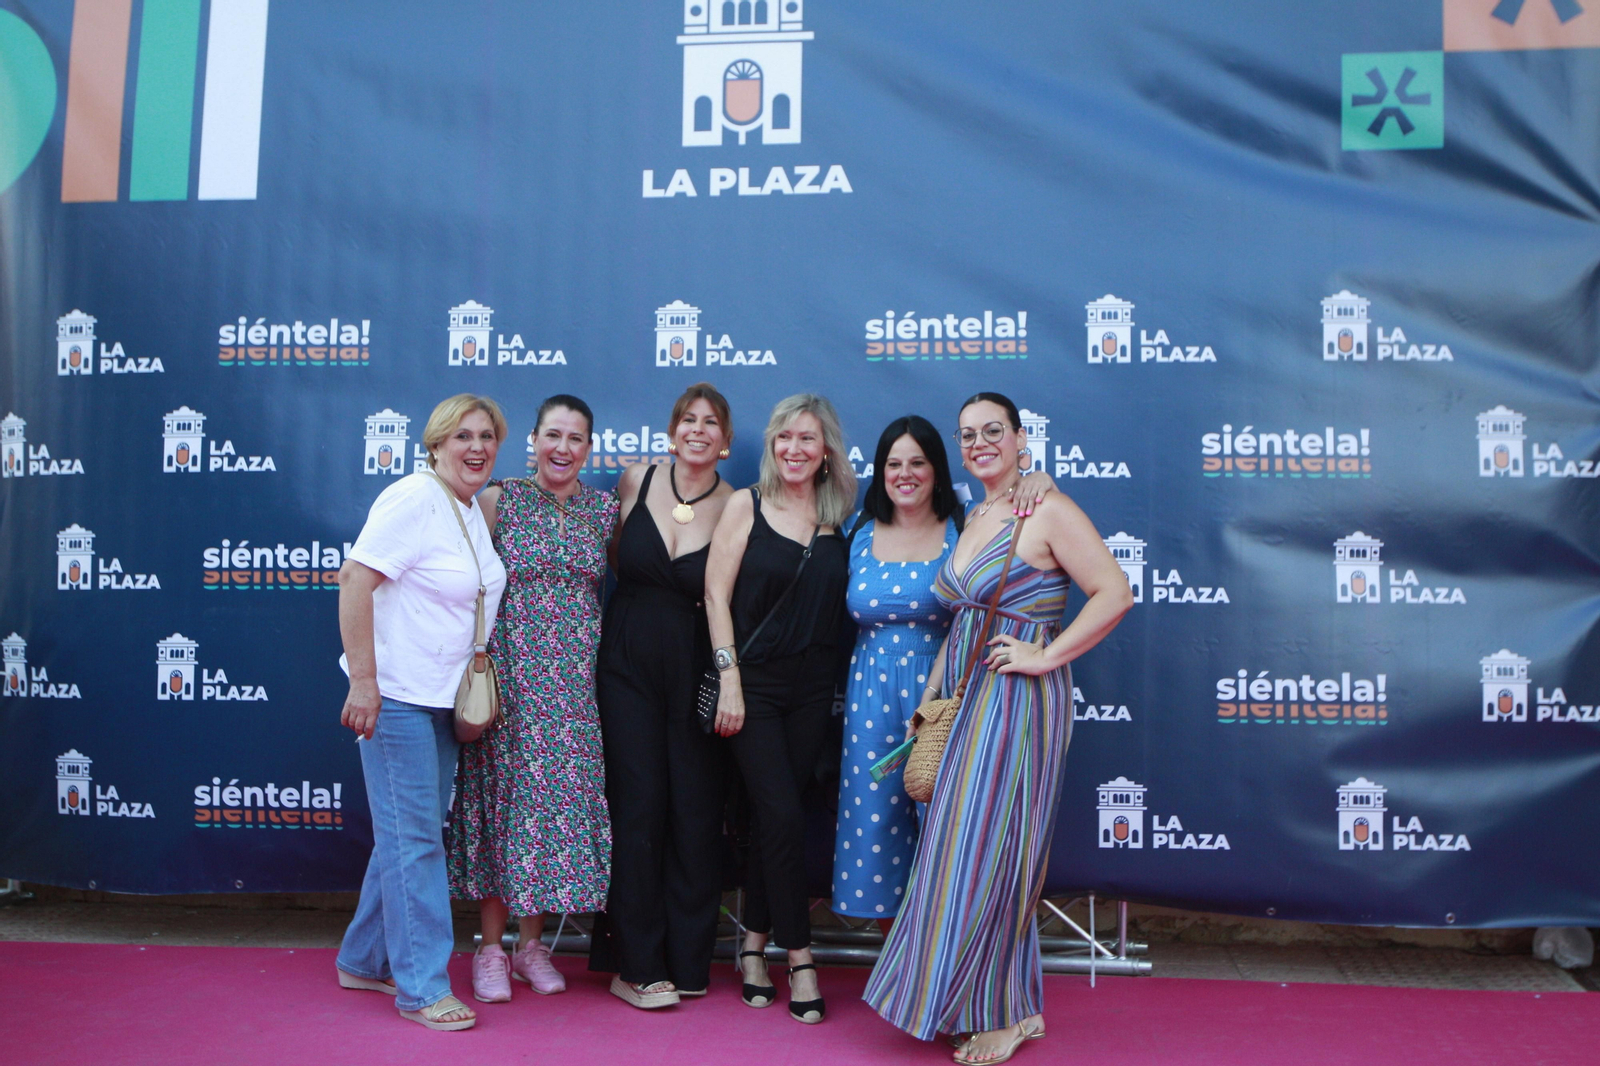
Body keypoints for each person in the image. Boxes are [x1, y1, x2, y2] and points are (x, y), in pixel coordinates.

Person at [863, 392, 1133, 1065]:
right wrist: (933, 691)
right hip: (964, 693)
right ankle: (1015, 1003)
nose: (980, 442)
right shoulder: (980, 511)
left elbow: (1114, 592)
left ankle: (1004, 1015)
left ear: (1019, 438)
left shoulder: (1048, 507)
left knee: (991, 850)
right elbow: (963, 613)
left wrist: (1044, 655)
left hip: (1016, 700)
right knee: (967, 847)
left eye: (994, 431)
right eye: (968, 434)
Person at [833, 417, 1054, 934]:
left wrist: (1041, 478)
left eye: (918, 463)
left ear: (937, 469)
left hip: (948, 689)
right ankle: (896, 952)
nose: (905, 474)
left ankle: (940, 942)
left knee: (945, 821)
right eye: (893, 464)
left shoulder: (964, 523)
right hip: (869, 694)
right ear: (879, 472)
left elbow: (1020, 502)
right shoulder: (857, 533)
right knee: (876, 818)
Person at [334, 393, 510, 1032]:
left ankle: (362, 959)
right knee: (415, 845)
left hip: (442, 703)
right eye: (462, 436)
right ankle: (422, 987)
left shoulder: (463, 509)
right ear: (435, 444)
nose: (476, 448)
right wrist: (365, 682)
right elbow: (355, 581)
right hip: (398, 699)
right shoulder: (413, 496)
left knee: (407, 840)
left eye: (487, 437)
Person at [446, 394, 620, 1005]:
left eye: (576, 438)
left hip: (573, 692)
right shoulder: (501, 500)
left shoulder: (605, 513)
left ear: (589, 448)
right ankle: (488, 951)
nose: (563, 449)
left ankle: (530, 948)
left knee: (551, 820)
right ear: (534, 441)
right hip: (511, 688)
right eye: (553, 435)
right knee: (505, 810)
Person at [705, 394, 854, 1024]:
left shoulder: (839, 517)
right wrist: (729, 676)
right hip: (753, 686)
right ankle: (801, 956)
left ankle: (752, 947)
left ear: (826, 453)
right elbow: (715, 594)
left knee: (779, 821)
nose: (793, 449)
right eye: (783, 437)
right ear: (771, 444)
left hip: (813, 691)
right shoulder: (747, 504)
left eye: (807, 439)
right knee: (781, 817)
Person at [587, 384, 737, 1009]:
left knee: (694, 814)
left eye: (711, 423)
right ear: (672, 429)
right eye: (687, 419)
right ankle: (636, 963)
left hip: (695, 671)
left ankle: (688, 959)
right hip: (625, 665)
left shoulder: (737, 505)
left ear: (726, 441)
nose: (698, 430)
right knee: (638, 807)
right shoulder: (634, 481)